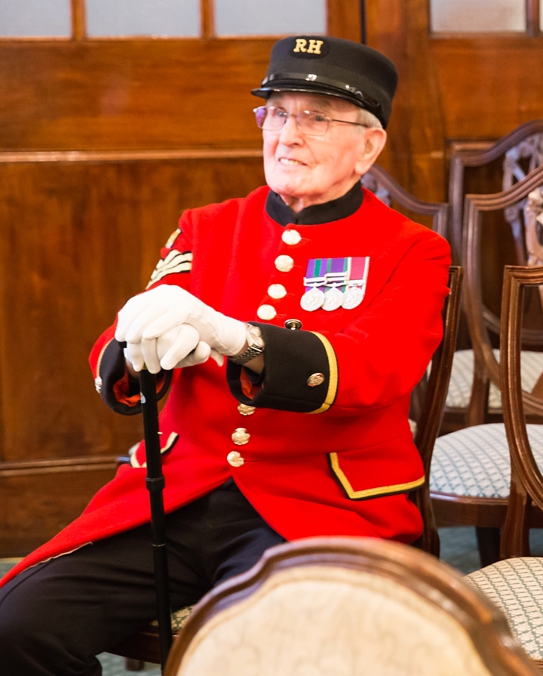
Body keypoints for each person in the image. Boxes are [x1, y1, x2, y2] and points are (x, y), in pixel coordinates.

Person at [0, 35, 451, 675]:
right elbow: (130, 332)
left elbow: (376, 367)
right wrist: (134, 348)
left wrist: (240, 339)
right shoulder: (206, 227)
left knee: (255, 654)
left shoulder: (412, 249)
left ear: (368, 145)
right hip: (178, 492)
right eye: (276, 112)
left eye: (316, 118)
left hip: (317, 505)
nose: (287, 136)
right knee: (16, 627)